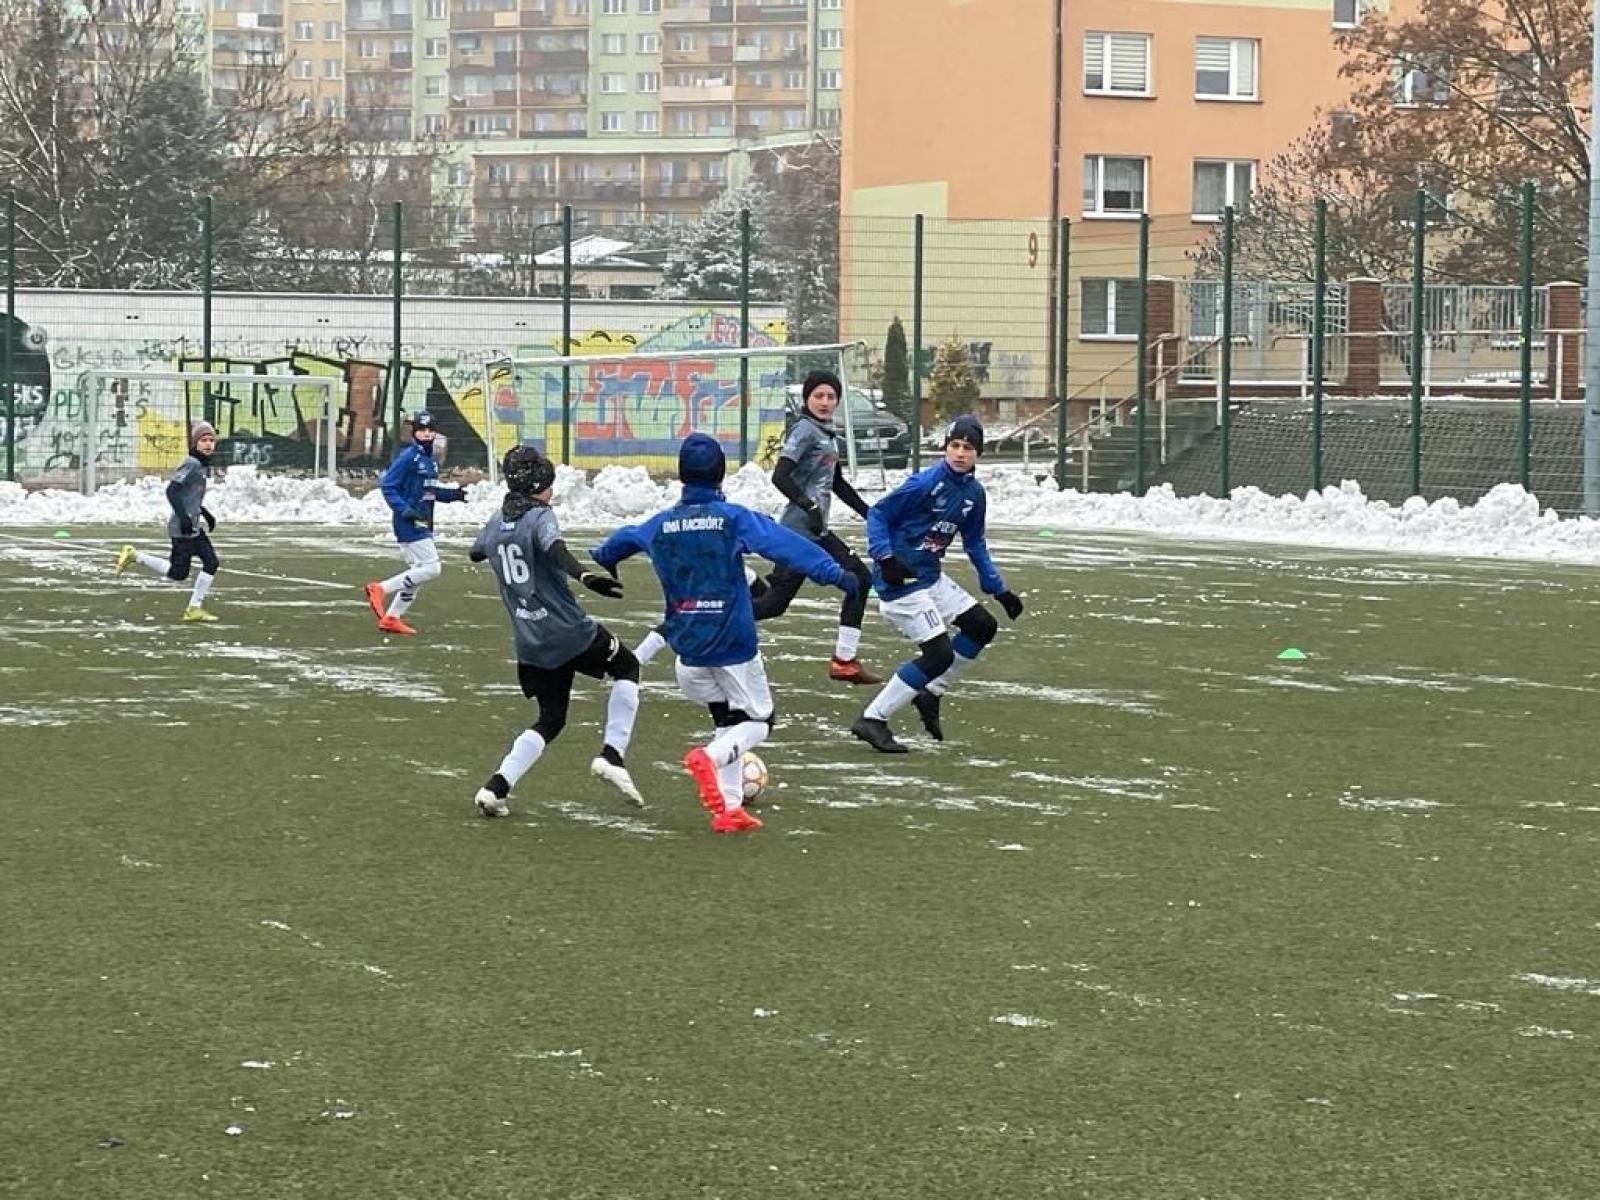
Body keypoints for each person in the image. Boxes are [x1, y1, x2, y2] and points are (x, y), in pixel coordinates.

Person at [591, 432, 858, 834]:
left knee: (728, 718)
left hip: (688, 653)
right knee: (761, 721)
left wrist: (605, 557)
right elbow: (783, 544)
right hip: (732, 646)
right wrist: (836, 573)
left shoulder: (661, 524)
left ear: (683, 476)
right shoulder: (733, 519)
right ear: (721, 475)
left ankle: (728, 809)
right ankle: (710, 760)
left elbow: (626, 536)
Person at [469, 444, 644, 817]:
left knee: (551, 718)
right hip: (568, 633)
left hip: (530, 643)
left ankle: (496, 787)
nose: (552, 491)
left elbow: (476, 552)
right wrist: (585, 576)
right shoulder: (540, 516)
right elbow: (556, 549)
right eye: (548, 483)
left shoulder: (495, 521)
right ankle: (612, 754)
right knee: (627, 665)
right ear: (537, 486)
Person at [849, 414, 1025, 754]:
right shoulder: (924, 483)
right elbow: (878, 515)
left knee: (981, 626)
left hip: (929, 577)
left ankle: (930, 691)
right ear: (945, 448)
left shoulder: (974, 494)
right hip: (899, 582)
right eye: (954, 446)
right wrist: (885, 559)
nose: (960, 453)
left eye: (968, 448)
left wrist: (998, 589)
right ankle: (873, 718)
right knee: (939, 653)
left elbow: (975, 544)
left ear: (978, 454)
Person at [751, 369, 880, 685]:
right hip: (798, 532)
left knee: (856, 579)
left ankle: (844, 661)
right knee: (774, 604)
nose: (825, 401)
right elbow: (780, 475)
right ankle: (719, 612)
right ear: (807, 399)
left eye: (831, 396)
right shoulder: (805, 431)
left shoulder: (826, 433)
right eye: (818, 395)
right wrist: (808, 507)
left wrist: (871, 514)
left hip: (815, 531)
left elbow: (836, 483)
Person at [365, 410, 467, 636]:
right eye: (422, 430)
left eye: (430, 430)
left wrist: (453, 496)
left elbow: (428, 490)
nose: (427, 434)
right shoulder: (407, 457)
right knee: (432, 568)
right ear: (414, 433)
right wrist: (405, 511)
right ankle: (380, 588)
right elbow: (388, 486)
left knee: (418, 573)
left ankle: (392, 618)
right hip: (410, 522)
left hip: (423, 520)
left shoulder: (430, 460)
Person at [114, 419, 223, 622]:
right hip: (182, 529)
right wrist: (182, 517)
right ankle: (134, 555)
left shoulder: (200, 466)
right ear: (194, 444)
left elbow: (189, 496)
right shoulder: (192, 464)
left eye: (211, 440)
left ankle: (193, 608)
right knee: (178, 574)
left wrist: (204, 512)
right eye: (203, 440)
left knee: (211, 562)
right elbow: (172, 490)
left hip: (194, 528)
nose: (208, 444)